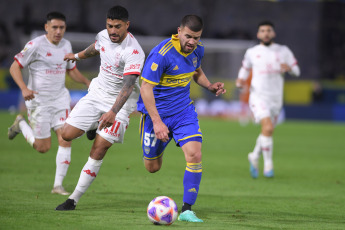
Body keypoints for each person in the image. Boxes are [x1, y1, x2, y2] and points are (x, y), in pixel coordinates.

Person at [137, 15, 226, 222]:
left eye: (196, 37)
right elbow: (145, 88)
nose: (192, 42)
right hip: (156, 116)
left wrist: (209, 85)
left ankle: (187, 209)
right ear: (179, 31)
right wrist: (157, 122)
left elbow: (196, 71)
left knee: (194, 154)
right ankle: (156, 144)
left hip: (183, 112)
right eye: (188, 36)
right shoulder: (161, 54)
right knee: (152, 167)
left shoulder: (197, 49)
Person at [55, 5, 145, 211]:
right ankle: (93, 125)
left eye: (118, 27)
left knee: (99, 148)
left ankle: (73, 199)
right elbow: (96, 48)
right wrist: (76, 56)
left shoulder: (134, 51)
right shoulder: (104, 36)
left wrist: (113, 112)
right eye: (110, 26)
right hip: (96, 94)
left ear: (127, 26)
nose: (113, 31)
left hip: (120, 106)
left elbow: (128, 85)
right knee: (66, 135)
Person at [8, 12, 90, 195]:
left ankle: (58, 186)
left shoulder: (66, 45)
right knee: (42, 147)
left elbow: (71, 70)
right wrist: (23, 88)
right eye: (54, 27)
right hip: (39, 102)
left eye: (62, 27)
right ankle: (21, 124)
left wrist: (86, 82)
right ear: (47, 27)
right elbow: (15, 67)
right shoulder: (35, 45)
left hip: (60, 99)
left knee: (65, 137)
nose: (58, 31)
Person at [236, 21, 300, 179]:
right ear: (258, 34)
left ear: (273, 34)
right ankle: (268, 166)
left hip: (276, 99)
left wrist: (290, 69)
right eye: (262, 30)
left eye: (268, 30)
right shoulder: (252, 52)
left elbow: (297, 71)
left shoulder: (283, 51)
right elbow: (245, 68)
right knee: (268, 128)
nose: (266, 33)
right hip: (258, 96)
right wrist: (239, 80)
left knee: (267, 130)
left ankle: (254, 156)